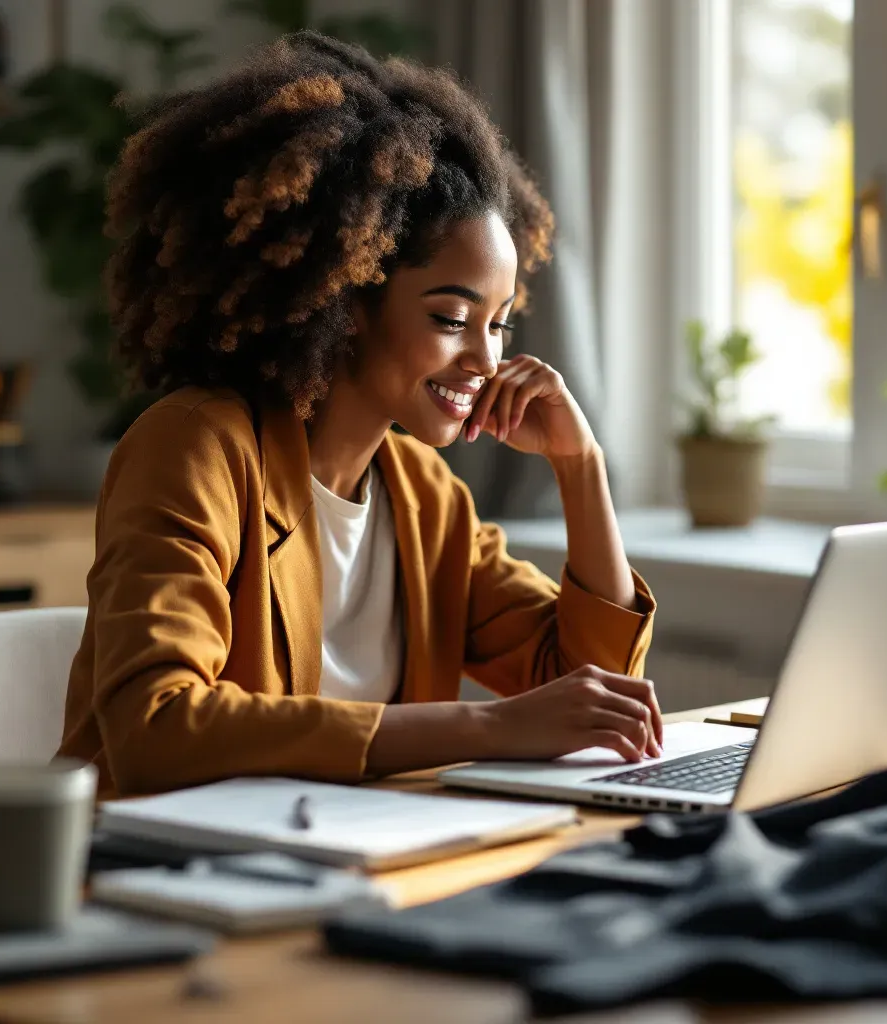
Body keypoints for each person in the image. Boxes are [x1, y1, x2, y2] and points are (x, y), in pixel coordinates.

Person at [57, 32, 662, 800]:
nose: (484, 359)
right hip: (151, 872)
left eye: (499, 323)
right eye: (451, 318)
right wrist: (485, 727)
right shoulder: (197, 447)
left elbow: (590, 697)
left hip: (341, 858)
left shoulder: (424, 498)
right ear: (345, 304)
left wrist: (582, 470)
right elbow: (157, 727)